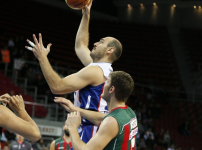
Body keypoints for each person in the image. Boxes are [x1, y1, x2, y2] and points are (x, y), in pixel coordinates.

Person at [25, 1, 122, 143]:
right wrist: (86, 16)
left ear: (110, 50)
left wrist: (42, 58)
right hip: (90, 126)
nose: (95, 43)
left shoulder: (96, 71)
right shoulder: (99, 67)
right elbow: (80, 46)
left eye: (101, 42)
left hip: (92, 129)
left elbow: (57, 87)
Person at [55, 71, 138, 150]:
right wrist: (75, 109)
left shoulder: (112, 122)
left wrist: (72, 128)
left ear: (111, 89)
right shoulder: (129, 113)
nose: (103, 84)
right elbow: (103, 119)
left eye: (107, 82)